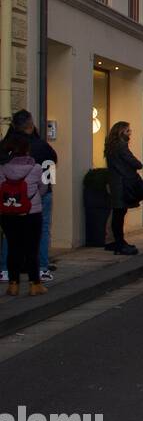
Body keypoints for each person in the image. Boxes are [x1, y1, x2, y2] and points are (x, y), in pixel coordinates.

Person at [0, 110, 58, 284]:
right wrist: (44, 191)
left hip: (10, 198)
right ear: (31, 125)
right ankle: (41, 270)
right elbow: (50, 170)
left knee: (9, 235)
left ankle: (5, 270)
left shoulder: (5, 146)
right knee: (39, 233)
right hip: (36, 198)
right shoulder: (40, 146)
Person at [0, 134, 48, 296]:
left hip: (8, 213)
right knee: (31, 249)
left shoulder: (3, 169)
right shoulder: (36, 168)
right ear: (27, 150)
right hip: (31, 213)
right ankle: (35, 284)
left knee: (13, 248)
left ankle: (13, 284)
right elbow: (43, 189)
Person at [104, 121, 143, 256]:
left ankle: (118, 242)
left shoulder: (111, 146)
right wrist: (137, 164)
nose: (130, 133)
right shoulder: (121, 146)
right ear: (121, 132)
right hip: (122, 184)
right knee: (119, 215)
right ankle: (120, 244)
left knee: (117, 214)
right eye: (128, 131)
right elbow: (136, 163)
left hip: (116, 183)